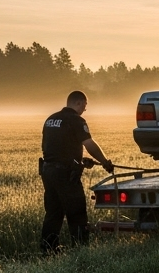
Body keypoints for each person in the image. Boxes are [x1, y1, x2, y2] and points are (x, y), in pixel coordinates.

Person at [40, 90, 113, 252]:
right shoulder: (76, 120)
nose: (85, 109)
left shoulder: (50, 119)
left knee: (53, 213)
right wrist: (104, 162)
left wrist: (79, 161)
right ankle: (81, 251)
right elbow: (89, 144)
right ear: (78, 103)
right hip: (65, 174)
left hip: (48, 171)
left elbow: (54, 147)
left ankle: (48, 250)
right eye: (84, 105)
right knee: (77, 212)